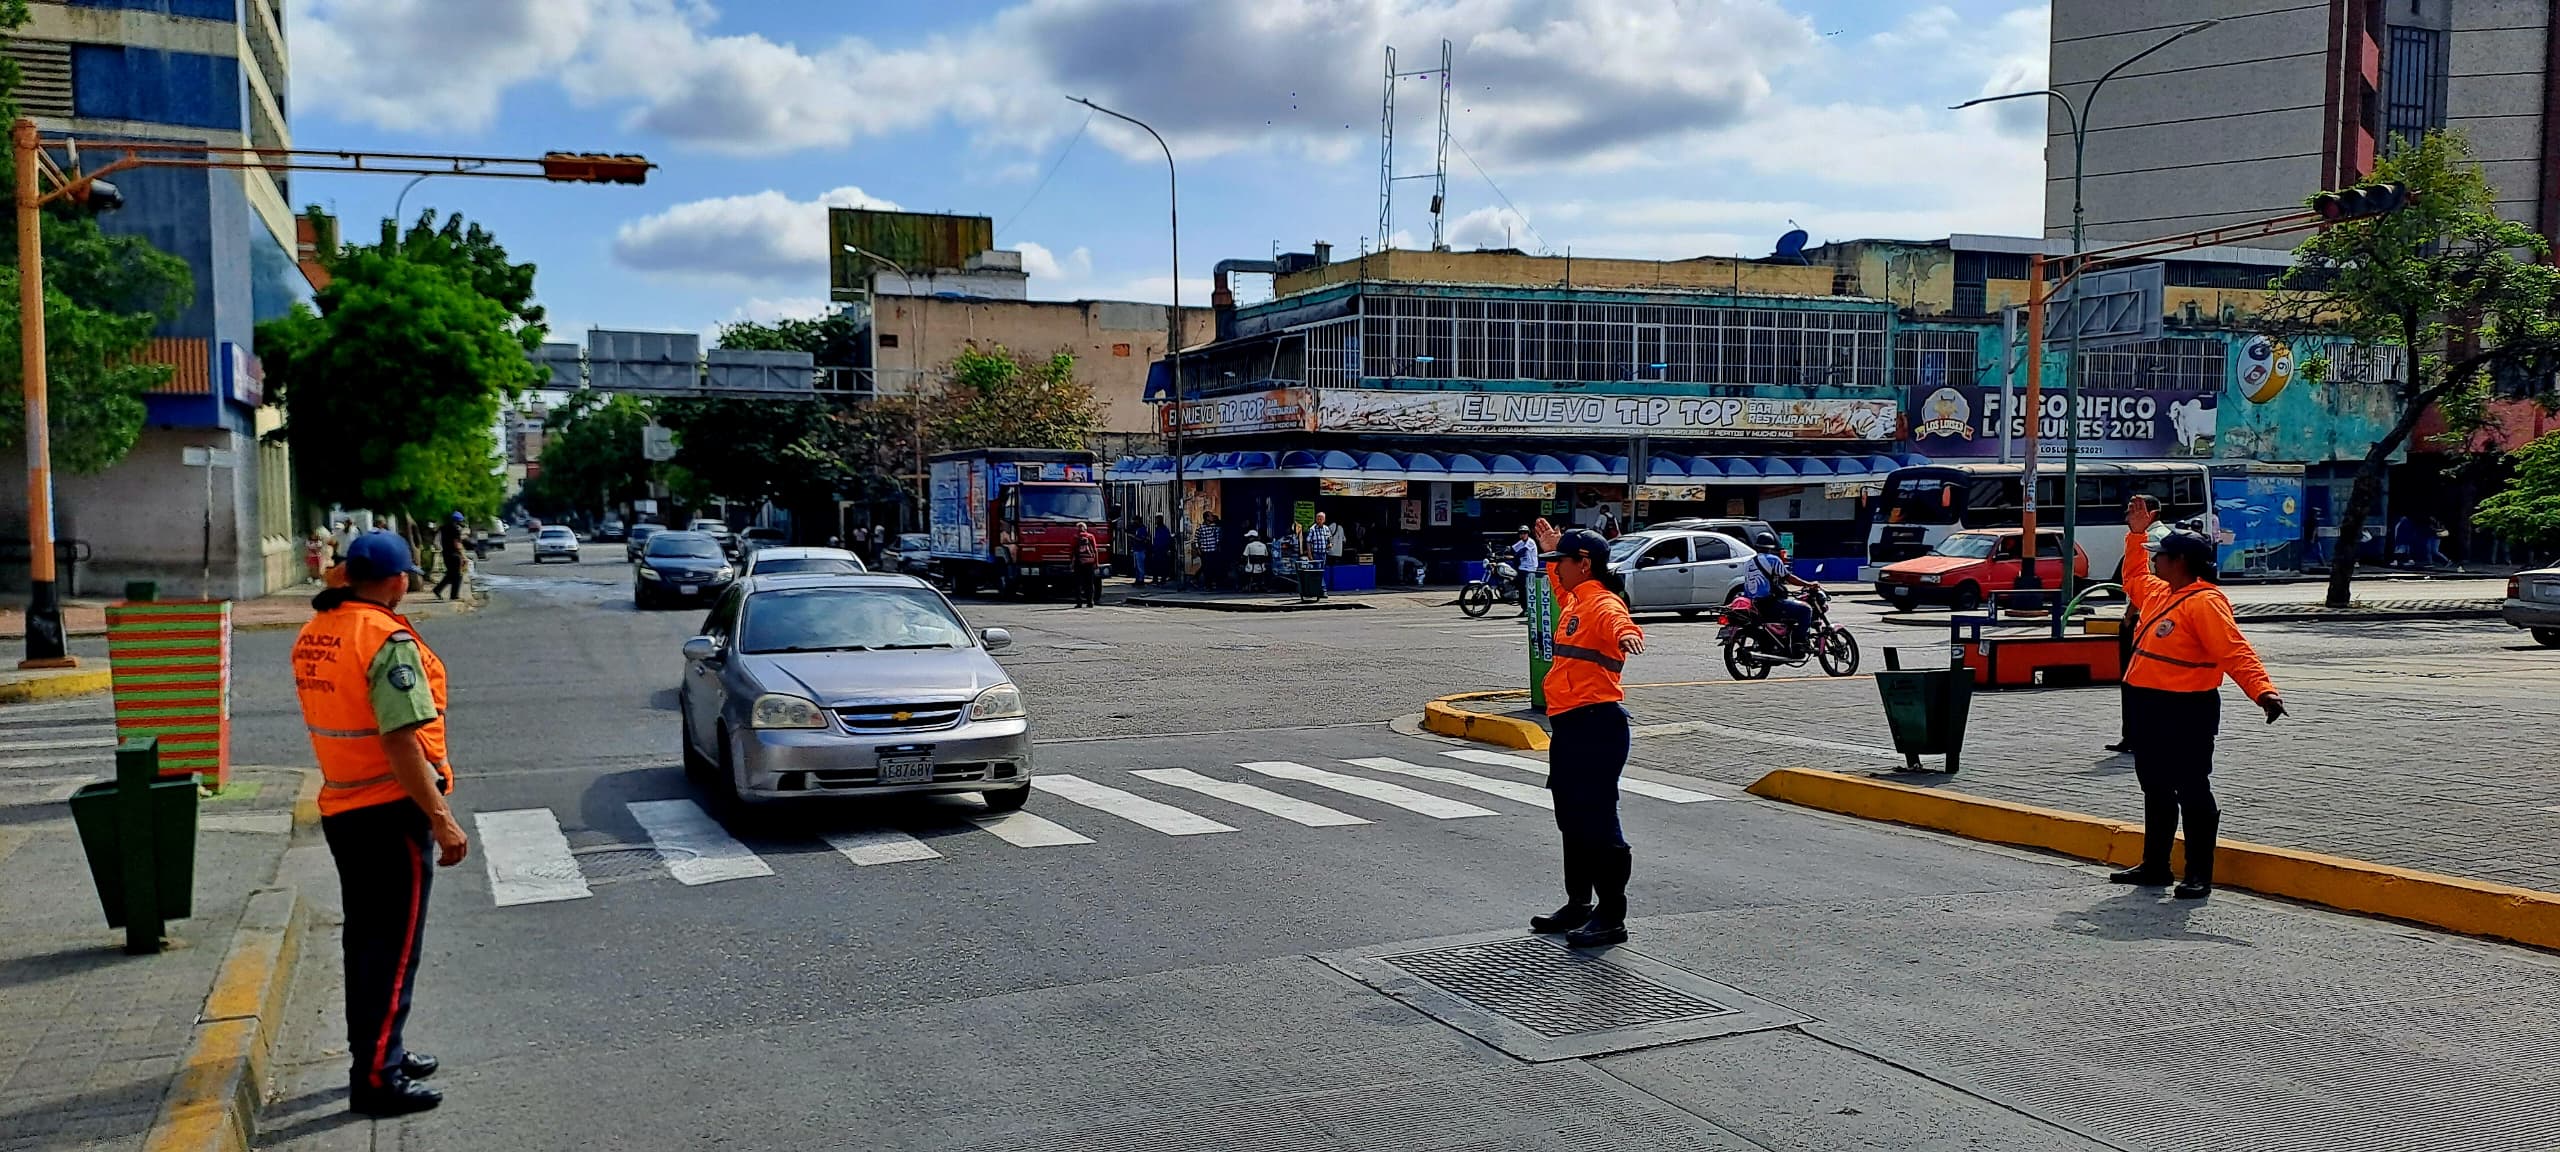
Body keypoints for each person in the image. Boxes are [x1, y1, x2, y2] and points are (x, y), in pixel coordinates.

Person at [290, 531, 468, 1116]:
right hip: (391, 810)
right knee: (391, 951)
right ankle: (375, 1079)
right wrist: (441, 820)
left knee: (366, 944)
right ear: (396, 581)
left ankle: (380, 1050)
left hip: (345, 805)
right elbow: (400, 740)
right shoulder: (384, 639)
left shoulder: (318, 631)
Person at [2110, 499, 2287, 900]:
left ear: (2181, 562)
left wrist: (2262, 691)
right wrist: (2136, 535)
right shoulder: (2160, 593)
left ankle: (2197, 874)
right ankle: (2156, 865)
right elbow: (2134, 576)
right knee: (2154, 786)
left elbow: (2234, 650)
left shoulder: (2205, 602)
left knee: (2191, 787)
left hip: (2187, 708)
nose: (2155, 562)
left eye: (2162, 556)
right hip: (2148, 704)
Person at [1526, 521, 1645, 948]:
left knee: (1597, 820)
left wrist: (1628, 634)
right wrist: (1553, 548)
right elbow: (1562, 594)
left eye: (1562, 563)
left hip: (1598, 725)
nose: (1555, 568)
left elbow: (1619, 620)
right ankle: (1579, 904)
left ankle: (1612, 914)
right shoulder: (1576, 600)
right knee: (1570, 819)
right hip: (1570, 726)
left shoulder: (1603, 604)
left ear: (1585, 563)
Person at [1742, 532, 1816, 655]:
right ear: (1770, 548)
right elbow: (1788, 578)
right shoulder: (1773, 560)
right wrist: (1808, 584)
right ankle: (1798, 643)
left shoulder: (1749, 562)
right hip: (1770, 604)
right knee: (1806, 610)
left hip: (1754, 604)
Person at [432, 512, 467, 601]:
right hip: (455, 555)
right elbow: (457, 544)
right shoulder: (455, 529)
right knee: (457, 575)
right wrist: (463, 556)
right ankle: (454, 595)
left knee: (451, 574)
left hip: (446, 553)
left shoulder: (444, 528)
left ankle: (438, 589)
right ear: (458, 521)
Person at [1508, 526, 1540, 613]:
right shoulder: (1521, 542)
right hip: (1522, 567)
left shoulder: (1530, 542)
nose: (1523, 535)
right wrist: (1502, 551)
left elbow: (1521, 551)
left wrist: (1514, 556)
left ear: (1528, 534)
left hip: (1530, 568)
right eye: (1521, 533)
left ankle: (1526, 608)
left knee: (1523, 588)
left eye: (1524, 533)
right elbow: (1512, 549)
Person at [1303, 513, 1333, 600]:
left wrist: (1330, 544)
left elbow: (1329, 538)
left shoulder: (1326, 528)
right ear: (1316, 519)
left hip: (1323, 553)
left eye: (1321, 519)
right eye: (1318, 518)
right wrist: (1309, 554)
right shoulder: (1312, 529)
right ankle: (1323, 590)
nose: (1319, 520)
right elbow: (1308, 542)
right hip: (1315, 554)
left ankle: (1318, 590)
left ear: (1324, 520)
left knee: (1321, 572)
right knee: (1318, 572)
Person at [1071, 521, 1100, 608]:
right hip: (1089, 563)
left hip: (1079, 562)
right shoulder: (1090, 536)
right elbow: (1095, 550)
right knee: (1090, 583)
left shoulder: (1075, 537)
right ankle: (1090, 602)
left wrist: (1071, 563)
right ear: (1086, 528)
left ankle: (1079, 602)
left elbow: (1072, 551)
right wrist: (1096, 563)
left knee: (1078, 583)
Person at [1196, 515, 1225, 591]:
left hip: (1213, 550)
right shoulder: (1200, 528)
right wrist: (1198, 549)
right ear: (1207, 518)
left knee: (1213, 567)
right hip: (1205, 551)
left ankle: (1212, 583)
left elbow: (1218, 538)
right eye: (1211, 516)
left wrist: (1218, 548)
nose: (1212, 517)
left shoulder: (1214, 528)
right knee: (1206, 568)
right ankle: (1207, 585)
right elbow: (1196, 539)